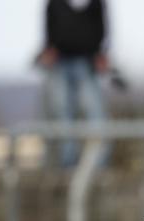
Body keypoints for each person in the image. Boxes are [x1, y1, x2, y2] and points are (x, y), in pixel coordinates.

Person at [38, 0, 110, 167]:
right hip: (60, 64)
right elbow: (49, 29)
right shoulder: (55, 4)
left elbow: (102, 29)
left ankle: (97, 163)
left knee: (94, 113)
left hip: (87, 64)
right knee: (61, 112)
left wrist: (101, 54)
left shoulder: (96, 4)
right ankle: (67, 162)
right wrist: (49, 50)